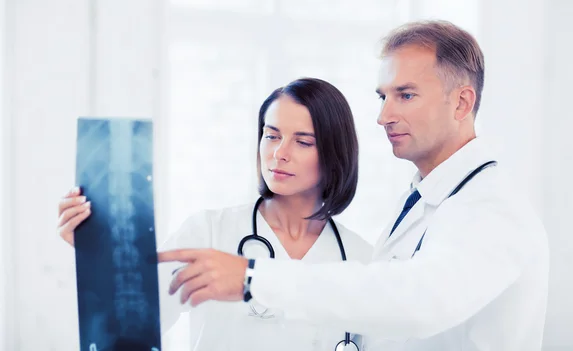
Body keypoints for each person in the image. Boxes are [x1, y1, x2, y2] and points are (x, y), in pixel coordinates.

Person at [158, 20, 550, 351]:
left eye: (406, 95)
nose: (383, 116)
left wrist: (253, 279)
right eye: (383, 97)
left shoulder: (492, 206)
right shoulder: (422, 203)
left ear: (462, 103)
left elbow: (420, 299)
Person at [57, 78, 372, 351]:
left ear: (334, 153)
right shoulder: (208, 232)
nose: (279, 153)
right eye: (272, 135)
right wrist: (97, 256)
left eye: (302, 141)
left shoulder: (362, 258)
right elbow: (129, 332)